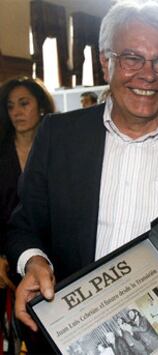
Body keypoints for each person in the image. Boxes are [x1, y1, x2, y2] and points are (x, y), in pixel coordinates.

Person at [6, 0, 158, 340]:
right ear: (105, 61)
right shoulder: (58, 135)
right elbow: (23, 225)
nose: (148, 74)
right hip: (70, 332)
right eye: (132, 58)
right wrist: (34, 261)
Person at [0, 76, 55, 353]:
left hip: (50, 257)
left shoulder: (58, 147)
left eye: (24, 104)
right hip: (5, 264)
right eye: (10, 107)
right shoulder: (1, 151)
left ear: (41, 105)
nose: (17, 112)